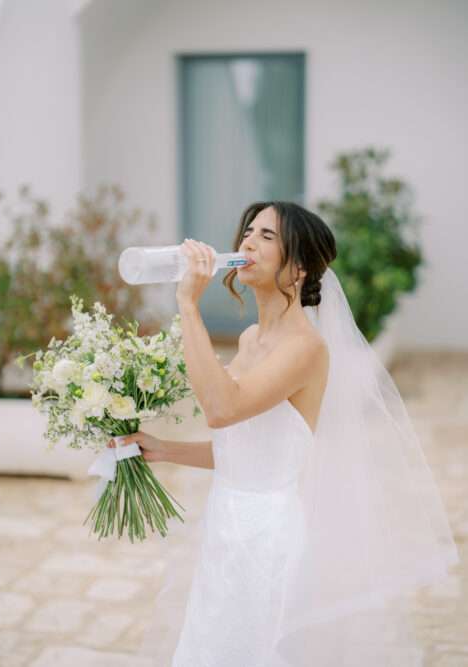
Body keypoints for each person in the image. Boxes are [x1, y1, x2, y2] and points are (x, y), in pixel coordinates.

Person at [111, 201, 459, 666]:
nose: (248, 242)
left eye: (268, 236)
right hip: (225, 525)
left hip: (266, 537)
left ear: (298, 269)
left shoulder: (307, 349)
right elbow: (244, 447)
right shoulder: (253, 338)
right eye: (248, 231)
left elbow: (221, 408)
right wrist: (163, 449)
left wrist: (187, 305)